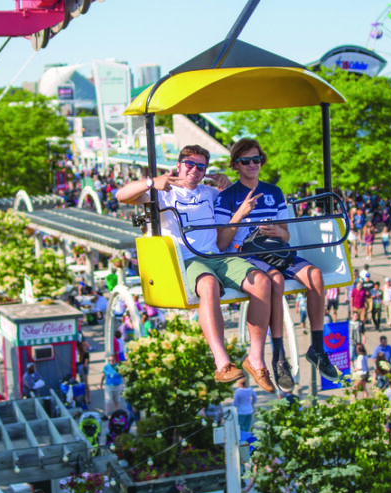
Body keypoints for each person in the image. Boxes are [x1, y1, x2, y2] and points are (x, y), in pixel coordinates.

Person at [115, 145, 274, 388]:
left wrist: (227, 184)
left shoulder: (210, 193)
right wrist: (151, 182)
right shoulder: (164, 194)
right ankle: (222, 363)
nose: (195, 170)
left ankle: (255, 358)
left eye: (201, 167)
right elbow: (121, 195)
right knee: (208, 285)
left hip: (216, 255)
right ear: (178, 166)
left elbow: (238, 198)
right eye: (189, 164)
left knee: (262, 282)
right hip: (188, 259)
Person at [217, 138, 331, 388]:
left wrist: (277, 232)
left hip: (275, 250)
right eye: (246, 160)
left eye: (256, 159)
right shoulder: (228, 197)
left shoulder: (274, 192)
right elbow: (222, 243)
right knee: (276, 281)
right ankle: (279, 357)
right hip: (247, 255)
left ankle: (317, 348)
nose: (252, 165)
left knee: (315, 276)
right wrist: (240, 215)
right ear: (236, 164)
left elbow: (287, 234)